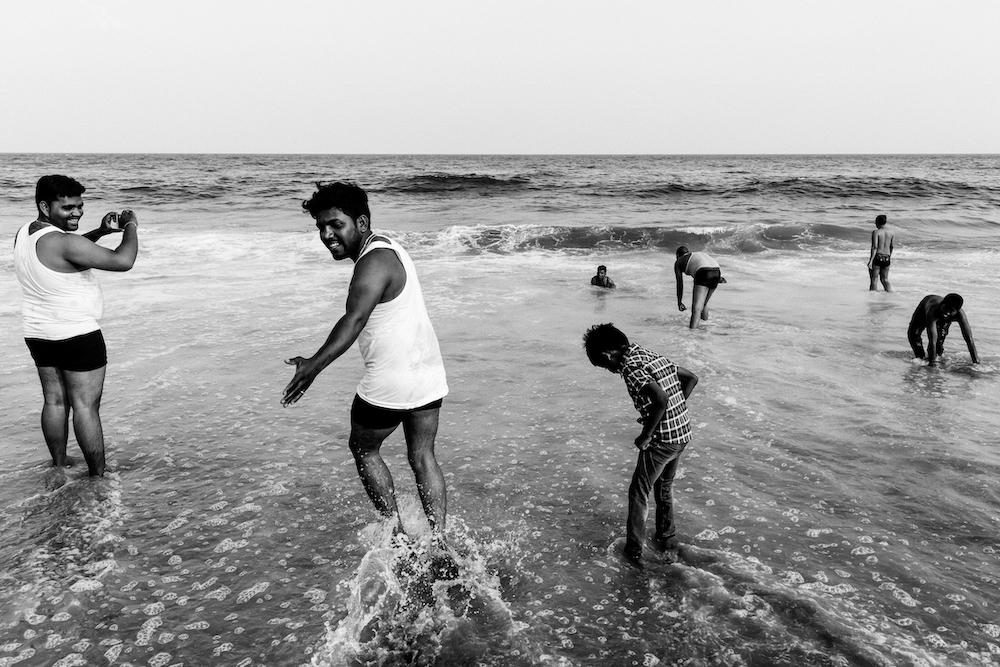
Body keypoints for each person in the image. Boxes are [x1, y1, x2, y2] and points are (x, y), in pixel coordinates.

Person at [282, 182, 452, 549]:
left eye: (335, 225)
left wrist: (313, 365)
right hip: (427, 374)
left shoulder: (371, 263)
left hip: (390, 380)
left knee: (363, 447)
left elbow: (354, 320)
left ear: (360, 222)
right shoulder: (388, 247)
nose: (327, 235)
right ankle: (440, 542)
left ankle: (396, 533)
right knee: (422, 455)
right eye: (321, 228)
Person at [13, 175, 139, 477]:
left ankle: (59, 464)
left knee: (54, 401)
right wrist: (131, 225)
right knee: (85, 407)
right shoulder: (64, 242)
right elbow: (123, 261)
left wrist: (99, 231)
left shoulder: (25, 233)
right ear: (45, 205)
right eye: (68, 208)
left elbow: (68, 255)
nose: (77, 214)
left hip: (39, 333)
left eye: (80, 207)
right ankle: (98, 475)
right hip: (77, 335)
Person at [583, 323, 699, 563]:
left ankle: (634, 550)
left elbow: (660, 398)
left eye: (606, 366)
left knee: (639, 491)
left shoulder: (631, 369)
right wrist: (673, 409)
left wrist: (646, 434)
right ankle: (667, 537)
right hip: (682, 433)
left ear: (608, 355)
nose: (611, 370)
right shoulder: (648, 355)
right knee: (664, 487)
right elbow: (690, 378)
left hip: (662, 440)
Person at [907, 293, 979, 366]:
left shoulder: (960, 314)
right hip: (924, 310)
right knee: (913, 335)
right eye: (946, 308)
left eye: (951, 311)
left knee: (938, 348)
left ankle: (936, 361)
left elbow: (969, 340)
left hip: (943, 315)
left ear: (956, 311)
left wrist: (976, 363)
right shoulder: (932, 310)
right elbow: (932, 340)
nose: (947, 313)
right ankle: (921, 359)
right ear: (941, 304)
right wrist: (933, 364)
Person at [674, 246, 725, 328]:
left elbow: (679, 284)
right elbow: (706, 264)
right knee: (703, 303)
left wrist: (679, 302)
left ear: (677, 256)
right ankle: (705, 325)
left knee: (696, 309)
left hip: (703, 272)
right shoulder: (696, 255)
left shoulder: (679, 261)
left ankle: (692, 334)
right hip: (717, 272)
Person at [867, 214, 894, 292]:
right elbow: (892, 246)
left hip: (878, 257)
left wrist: (871, 261)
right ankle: (890, 294)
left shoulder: (876, 232)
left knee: (874, 279)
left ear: (877, 222)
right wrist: (889, 256)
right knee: (885, 279)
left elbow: (874, 247)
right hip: (887, 257)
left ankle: (872, 298)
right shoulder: (891, 233)